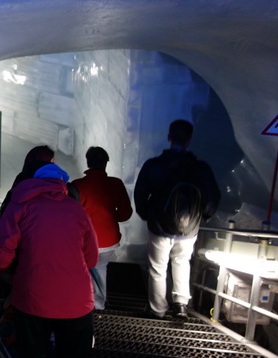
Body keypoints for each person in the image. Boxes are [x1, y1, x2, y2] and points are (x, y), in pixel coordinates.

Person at [0, 163, 99, 358]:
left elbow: (0, 256)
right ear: (62, 184)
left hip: (32, 298)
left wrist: (7, 269)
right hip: (77, 302)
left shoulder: (20, 205)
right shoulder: (76, 209)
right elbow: (92, 258)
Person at [134, 119, 220, 319]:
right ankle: (180, 305)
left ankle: (157, 309)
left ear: (169, 137)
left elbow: (140, 194)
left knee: (158, 267)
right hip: (189, 227)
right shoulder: (201, 169)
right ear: (189, 140)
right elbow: (213, 197)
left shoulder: (154, 165)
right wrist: (202, 218)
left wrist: (147, 214)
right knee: (182, 262)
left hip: (159, 225)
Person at [71, 146, 133, 310]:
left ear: (88, 162)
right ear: (106, 163)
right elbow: (126, 214)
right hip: (108, 240)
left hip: (83, 239)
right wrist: (112, 218)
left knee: (80, 270)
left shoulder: (77, 185)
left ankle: (78, 303)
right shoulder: (116, 184)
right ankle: (98, 305)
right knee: (100, 269)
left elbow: (70, 214)